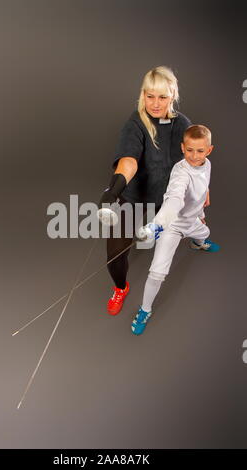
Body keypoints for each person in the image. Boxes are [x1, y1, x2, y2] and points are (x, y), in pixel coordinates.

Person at [98, 65, 196, 315]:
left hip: (166, 197)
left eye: (162, 97)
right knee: (114, 255)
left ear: (172, 95)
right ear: (143, 94)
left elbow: (194, 161)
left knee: (191, 221)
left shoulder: (183, 124)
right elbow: (128, 160)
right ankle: (121, 287)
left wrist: (202, 190)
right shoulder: (135, 123)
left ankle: (199, 238)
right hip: (134, 197)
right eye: (150, 96)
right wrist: (114, 189)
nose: (155, 103)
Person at [131, 124, 220, 335]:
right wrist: (156, 225)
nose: (194, 156)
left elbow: (202, 185)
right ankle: (145, 310)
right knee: (157, 273)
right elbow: (174, 201)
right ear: (182, 147)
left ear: (209, 150)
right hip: (171, 226)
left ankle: (198, 243)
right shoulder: (180, 172)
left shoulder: (206, 164)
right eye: (189, 150)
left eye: (200, 151)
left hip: (193, 221)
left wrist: (201, 214)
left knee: (205, 233)